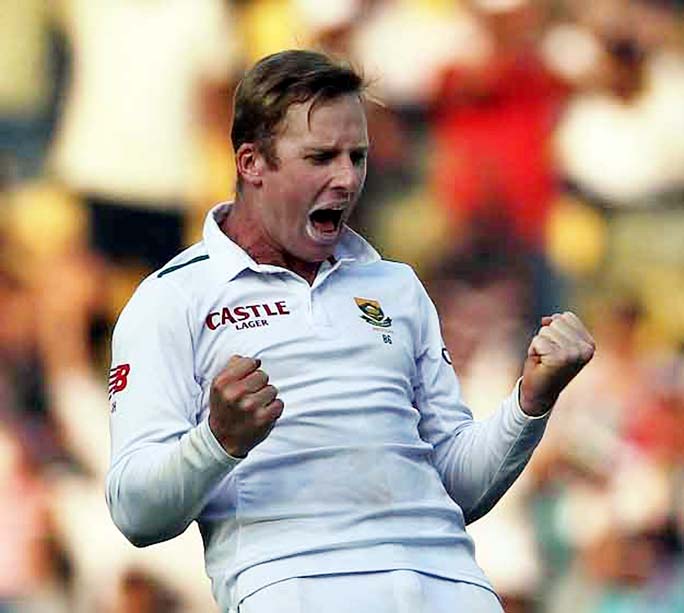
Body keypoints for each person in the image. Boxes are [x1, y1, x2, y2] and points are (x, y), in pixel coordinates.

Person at [106, 50, 595, 613]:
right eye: (321, 157)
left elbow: (458, 485)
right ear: (250, 163)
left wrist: (531, 401)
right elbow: (135, 513)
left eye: (357, 156)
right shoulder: (174, 298)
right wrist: (217, 440)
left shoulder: (396, 286)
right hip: (299, 586)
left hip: (451, 584)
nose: (346, 178)